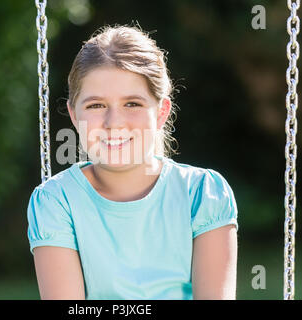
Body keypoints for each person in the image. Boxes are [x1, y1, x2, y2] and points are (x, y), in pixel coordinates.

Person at [27, 24, 238, 300]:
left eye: (132, 104)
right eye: (96, 105)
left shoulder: (203, 194)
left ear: (161, 112)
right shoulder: (56, 201)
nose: (114, 123)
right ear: (74, 115)